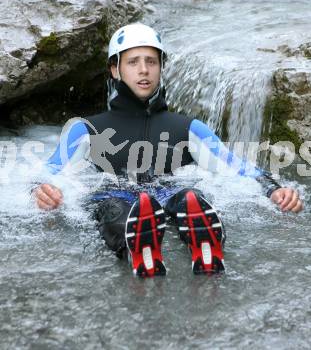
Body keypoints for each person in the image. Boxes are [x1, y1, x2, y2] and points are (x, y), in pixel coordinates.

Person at [33, 23, 303, 277]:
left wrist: (272, 188)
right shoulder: (86, 129)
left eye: (151, 62)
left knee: (190, 196)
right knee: (114, 206)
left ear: (161, 68)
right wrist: (43, 191)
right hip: (114, 197)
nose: (144, 70)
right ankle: (138, 249)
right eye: (133, 62)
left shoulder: (188, 128)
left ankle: (206, 247)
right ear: (114, 70)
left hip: (169, 192)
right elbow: (49, 173)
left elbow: (234, 166)